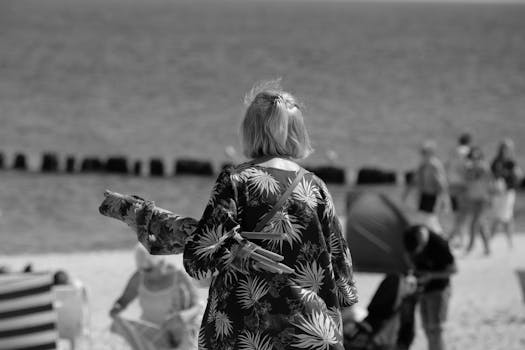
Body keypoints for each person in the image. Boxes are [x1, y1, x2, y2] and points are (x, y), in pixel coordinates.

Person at [182, 81, 358, 350]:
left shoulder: (236, 181)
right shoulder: (316, 187)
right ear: (297, 133)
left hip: (244, 333)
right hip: (309, 332)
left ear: (250, 131)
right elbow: (342, 275)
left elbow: (198, 261)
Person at [110, 244, 202, 349]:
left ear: (161, 263)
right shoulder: (139, 276)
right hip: (150, 333)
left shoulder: (179, 277)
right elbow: (123, 301)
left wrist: (182, 316)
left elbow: (197, 307)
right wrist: (116, 309)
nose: (145, 274)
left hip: (177, 334)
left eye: (149, 270)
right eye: (142, 270)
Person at [403, 225, 457, 350]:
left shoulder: (439, 244)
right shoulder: (409, 235)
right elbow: (407, 257)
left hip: (439, 289)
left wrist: (431, 276)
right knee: (427, 329)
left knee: (435, 329)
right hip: (423, 290)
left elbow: (454, 270)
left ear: (421, 239)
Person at [403, 140, 449, 234]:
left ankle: (438, 235)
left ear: (430, 153)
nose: (422, 154)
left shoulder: (434, 165)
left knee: (429, 218)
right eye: (422, 152)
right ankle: (434, 235)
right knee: (425, 218)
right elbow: (414, 180)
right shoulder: (423, 164)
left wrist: (444, 199)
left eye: (424, 152)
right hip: (423, 194)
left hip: (432, 195)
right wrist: (406, 193)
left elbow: (442, 183)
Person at [490, 138, 523, 249]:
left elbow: (518, 175)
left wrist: (512, 176)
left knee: (505, 216)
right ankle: (497, 239)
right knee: (502, 216)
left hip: (508, 191)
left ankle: (495, 239)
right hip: (498, 192)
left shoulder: (511, 162)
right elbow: (492, 175)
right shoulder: (496, 161)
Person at [463, 146, 492, 256]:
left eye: (477, 155)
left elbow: (488, 181)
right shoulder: (469, 167)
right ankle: (487, 247)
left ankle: (470, 246)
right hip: (473, 198)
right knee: (480, 224)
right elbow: (467, 180)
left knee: (475, 222)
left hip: (482, 199)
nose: (475, 157)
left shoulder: (483, 167)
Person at [445, 133, 472, 247]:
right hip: (463, 186)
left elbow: (447, 166)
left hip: (451, 185)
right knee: (462, 214)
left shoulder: (453, 151)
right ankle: (453, 237)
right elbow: (467, 168)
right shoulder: (467, 151)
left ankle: (459, 239)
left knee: (457, 213)